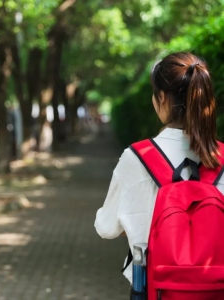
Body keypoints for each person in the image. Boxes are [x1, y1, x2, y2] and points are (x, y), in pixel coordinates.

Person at [94, 51, 224, 285]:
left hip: (157, 287)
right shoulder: (221, 158)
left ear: (161, 98)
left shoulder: (137, 157)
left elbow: (106, 226)